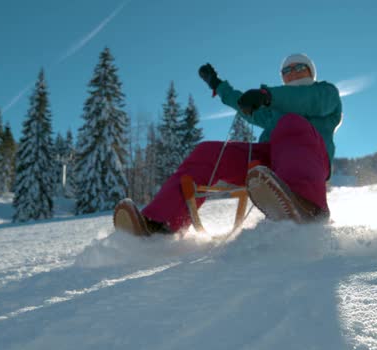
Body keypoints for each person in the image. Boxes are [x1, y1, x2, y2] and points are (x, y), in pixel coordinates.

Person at [114, 53, 343, 236]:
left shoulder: (325, 93)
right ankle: (159, 224)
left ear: (310, 72)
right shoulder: (273, 108)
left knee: (291, 123)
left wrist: (268, 96)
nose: (292, 73)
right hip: (272, 163)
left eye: (299, 68)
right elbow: (239, 101)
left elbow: (307, 101)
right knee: (207, 152)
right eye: (287, 70)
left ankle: (305, 207)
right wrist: (217, 84)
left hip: (311, 158)